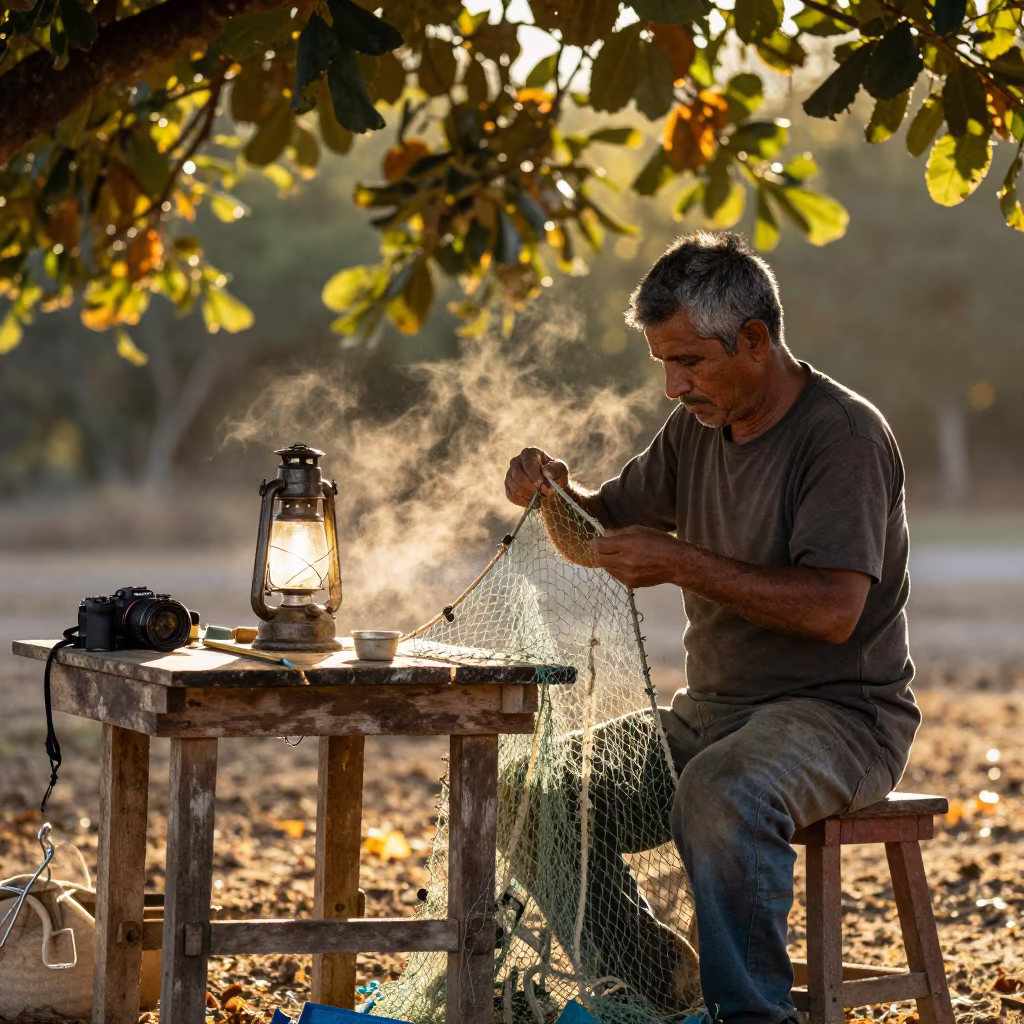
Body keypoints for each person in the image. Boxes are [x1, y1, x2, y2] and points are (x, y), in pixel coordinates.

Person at [503, 231, 920, 1024]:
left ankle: (751, 1015)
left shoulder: (845, 437)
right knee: (534, 790)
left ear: (756, 341)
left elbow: (835, 611)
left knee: (720, 792)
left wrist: (683, 562)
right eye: (663, 362)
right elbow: (601, 534)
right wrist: (551, 495)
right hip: (712, 716)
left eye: (689, 361)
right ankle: (657, 983)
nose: (672, 386)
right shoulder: (697, 425)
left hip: (841, 719)